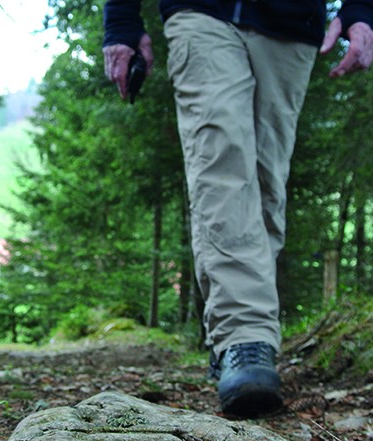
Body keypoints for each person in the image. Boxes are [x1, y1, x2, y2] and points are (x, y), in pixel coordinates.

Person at [103, 0, 373, 418]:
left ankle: (237, 337)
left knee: (267, 184)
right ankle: (244, 342)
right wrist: (121, 23)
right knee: (222, 167)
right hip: (200, 13)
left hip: (290, 25)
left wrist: (360, 10)